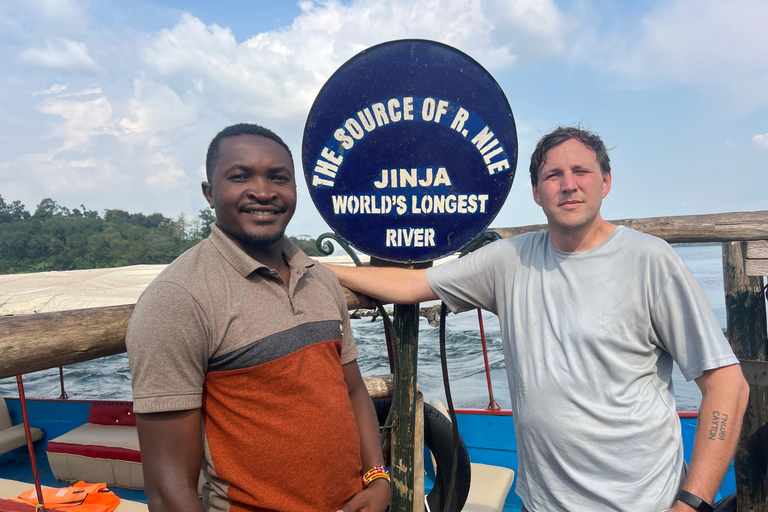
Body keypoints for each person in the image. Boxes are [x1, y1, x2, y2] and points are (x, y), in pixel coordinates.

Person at [329, 126, 749, 512]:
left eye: (581, 171)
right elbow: (412, 285)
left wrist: (692, 502)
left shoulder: (650, 261)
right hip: (542, 503)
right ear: (535, 190)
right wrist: (316, 270)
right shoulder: (509, 259)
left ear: (605, 181)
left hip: (644, 502)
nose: (569, 185)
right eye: (554, 175)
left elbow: (726, 384)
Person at [126, 123, 391, 512]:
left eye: (278, 178)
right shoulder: (178, 299)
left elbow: (352, 391)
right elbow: (169, 491)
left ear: (295, 191)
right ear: (210, 193)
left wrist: (378, 479)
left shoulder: (320, 279)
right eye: (240, 176)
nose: (263, 192)